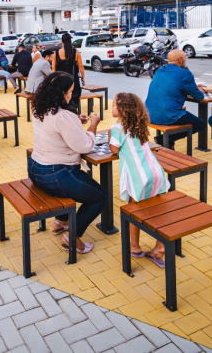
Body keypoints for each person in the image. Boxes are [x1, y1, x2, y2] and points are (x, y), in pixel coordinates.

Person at [29, 72, 105, 254]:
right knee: (100, 196)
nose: (71, 95)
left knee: (70, 188)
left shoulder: (39, 108)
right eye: (70, 91)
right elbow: (84, 146)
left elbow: (54, 127)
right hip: (55, 174)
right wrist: (93, 124)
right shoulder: (63, 116)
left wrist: (76, 121)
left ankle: (61, 221)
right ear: (61, 93)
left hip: (35, 169)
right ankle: (73, 236)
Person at [108, 92, 170, 267]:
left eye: (113, 105)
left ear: (122, 110)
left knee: (134, 211)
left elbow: (114, 150)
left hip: (138, 175)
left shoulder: (117, 128)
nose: (111, 107)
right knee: (158, 209)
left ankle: (134, 247)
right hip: (155, 171)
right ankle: (160, 246)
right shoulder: (139, 124)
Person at [145, 49, 211, 149]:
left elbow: (171, 86)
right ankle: (166, 139)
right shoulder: (184, 73)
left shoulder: (160, 70)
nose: (186, 61)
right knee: (200, 124)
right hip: (167, 115)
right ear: (180, 60)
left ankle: (168, 142)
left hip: (149, 113)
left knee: (182, 113)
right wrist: (200, 90)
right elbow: (199, 96)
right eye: (185, 59)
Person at [53, 32, 85, 112]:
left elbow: (53, 68)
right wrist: (83, 78)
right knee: (74, 100)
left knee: (61, 100)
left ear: (62, 41)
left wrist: (53, 80)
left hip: (60, 81)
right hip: (73, 80)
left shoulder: (56, 53)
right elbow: (81, 66)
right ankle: (74, 115)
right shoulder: (76, 52)